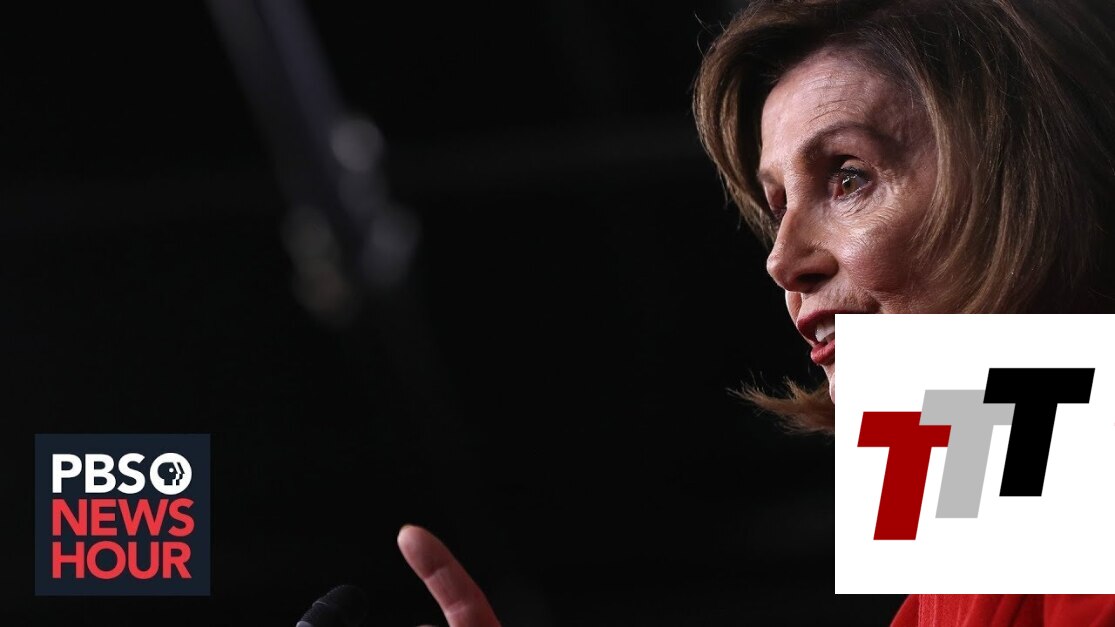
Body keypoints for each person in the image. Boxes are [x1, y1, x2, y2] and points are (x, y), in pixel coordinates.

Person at [396, 0, 1115, 624]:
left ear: (1029, 170)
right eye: (777, 208)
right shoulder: (985, 515)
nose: (781, 260)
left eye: (848, 177)